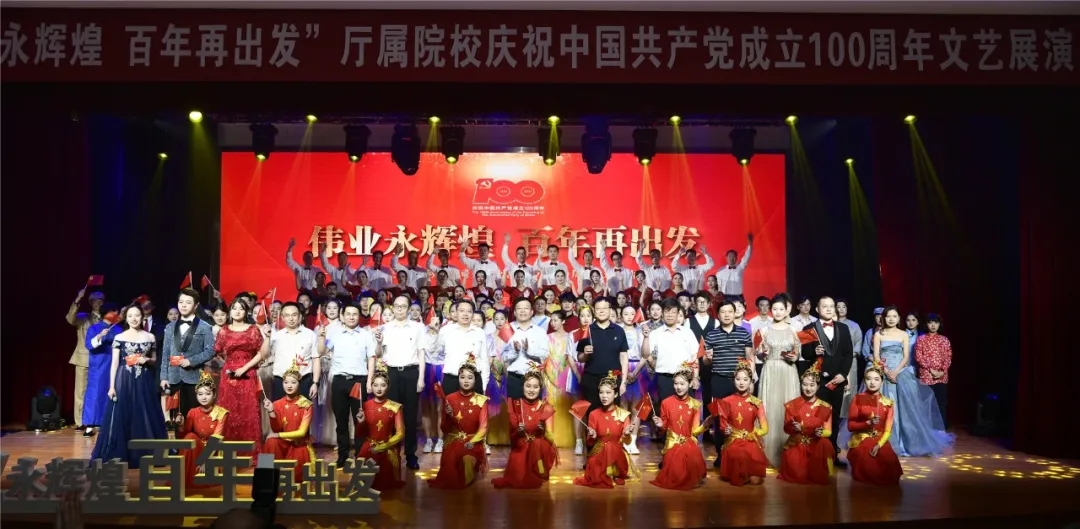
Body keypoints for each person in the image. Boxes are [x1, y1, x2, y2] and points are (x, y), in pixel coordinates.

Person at [92, 304, 168, 467]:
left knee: (145, 412)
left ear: (142, 317)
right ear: (126, 318)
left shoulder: (150, 337)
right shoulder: (119, 337)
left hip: (144, 379)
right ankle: (122, 452)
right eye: (130, 316)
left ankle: (145, 452)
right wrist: (112, 386)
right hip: (124, 378)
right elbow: (114, 364)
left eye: (137, 315)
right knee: (123, 413)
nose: (134, 319)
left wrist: (146, 359)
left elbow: (154, 359)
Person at [871, 305, 952, 457]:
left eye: (894, 316)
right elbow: (876, 356)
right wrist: (886, 372)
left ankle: (907, 442)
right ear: (884, 318)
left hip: (900, 373)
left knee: (907, 409)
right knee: (885, 407)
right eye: (888, 316)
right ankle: (885, 442)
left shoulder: (903, 334)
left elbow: (906, 357)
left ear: (898, 318)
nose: (891, 319)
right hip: (883, 373)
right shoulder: (878, 334)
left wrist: (896, 371)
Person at [318, 303, 378, 467]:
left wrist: (370, 381)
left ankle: (360, 454)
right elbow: (322, 351)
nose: (351, 317)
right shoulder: (335, 334)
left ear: (359, 316)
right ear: (342, 316)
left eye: (355, 314)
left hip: (359, 381)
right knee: (341, 420)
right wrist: (321, 337)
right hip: (339, 380)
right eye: (348, 314)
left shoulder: (365, 335)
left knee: (360, 420)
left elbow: (371, 358)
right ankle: (343, 455)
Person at [799, 296, 854, 466]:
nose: (829, 309)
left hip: (837, 380)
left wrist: (843, 374)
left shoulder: (843, 328)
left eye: (831, 306)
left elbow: (848, 354)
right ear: (817, 309)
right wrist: (813, 351)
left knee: (834, 417)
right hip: (818, 381)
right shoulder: (808, 328)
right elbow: (804, 353)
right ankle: (815, 455)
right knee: (817, 418)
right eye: (825, 306)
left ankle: (832, 455)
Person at [373, 295, 426, 470]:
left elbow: (421, 354)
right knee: (390, 416)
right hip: (392, 374)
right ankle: (391, 453)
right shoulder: (385, 328)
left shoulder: (418, 328)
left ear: (409, 309)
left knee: (410, 418)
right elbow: (379, 354)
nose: (399, 309)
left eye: (403, 306)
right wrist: (379, 342)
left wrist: (421, 378)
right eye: (396, 306)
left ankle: (411, 455)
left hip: (411, 373)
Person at [702, 300, 754, 467]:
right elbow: (706, 361)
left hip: (739, 382)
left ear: (735, 313)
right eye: (723, 312)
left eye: (730, 311)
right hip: (718, 381)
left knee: (740, 418)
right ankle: (721, 454)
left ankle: (739, 453)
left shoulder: (744, 333)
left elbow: (749, 359)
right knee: (720, 419)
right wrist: (707, 358)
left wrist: (750, 381)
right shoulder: (711, 335)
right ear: (718, 315)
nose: (726, 315)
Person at [215, 298, 269, 457]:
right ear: (230, 311)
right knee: (228, 411)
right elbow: (217, 350)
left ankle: (250, 453)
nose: (237, 311)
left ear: (246, 312)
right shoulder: (224, 331)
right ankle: (227, 453)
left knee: (249, 411)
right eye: (234, 308)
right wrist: (229, 365)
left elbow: (261, 353)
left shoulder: (253, 330)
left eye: (241, 308)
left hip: (248, 374)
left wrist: (244, 368)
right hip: (228, 377)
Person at [428, 354, 489, 489]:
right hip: (453, 442)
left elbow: (484, 428)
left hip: (472, 442)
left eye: (470, 377)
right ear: (458, 379)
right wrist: (449, 416)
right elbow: (444, 428)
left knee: (467, 462)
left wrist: (472, 442)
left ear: (475, 380)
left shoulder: (481, 400)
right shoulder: (449, 398)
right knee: (451, 470)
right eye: (462, 377)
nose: (466, 381)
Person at [491, 366, 558, 489]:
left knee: (538, 445)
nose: (531, 390)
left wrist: (542, 430)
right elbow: (512, 433)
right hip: (521, 445)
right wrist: (519, 431)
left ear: (540, 388)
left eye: (535, 387)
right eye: (528, 386)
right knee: (518, 477)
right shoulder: (515, 404)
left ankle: (540, 470)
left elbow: (551, 438)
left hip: (538, 448)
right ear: (522, 387)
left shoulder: (545, 406)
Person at [650, 363, 712, 490]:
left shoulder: (695, 404)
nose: (678, 387)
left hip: (688, 444)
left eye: (682, 384)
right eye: (676, 383)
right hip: (672, 444)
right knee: (676, 475)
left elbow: (695, 432)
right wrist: (661, 425)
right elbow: (663, 430)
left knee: (692, 469)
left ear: (690, 384)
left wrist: (705, 425)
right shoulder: (666, 403)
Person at [756, 294, 801, 468]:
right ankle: (767, 452)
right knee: (770, 407)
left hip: (788, 371)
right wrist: (763, 353)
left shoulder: (793, 330)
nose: (778, 312)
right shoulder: (764, 330)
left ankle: (788, 453)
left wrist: (794, 357)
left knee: (786, 407)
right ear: (770, 310)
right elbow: (759, 353)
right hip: (770, 370)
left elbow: (798, 353)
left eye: (781, 309)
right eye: (774, 309)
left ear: (787, 310)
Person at [574, 370, 636, 488]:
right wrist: (592, 436)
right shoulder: (593, 414)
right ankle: (606, 474)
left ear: (615, 394)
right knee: (597, 476)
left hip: (617, 456)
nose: (604, 396)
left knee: (611, 447)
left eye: (608, 392)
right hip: (599, 454)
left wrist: (627, 434)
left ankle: (613, 473)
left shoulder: (623, 414)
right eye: (601, 392)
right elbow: (590, 443)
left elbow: (627, 442)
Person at [160, 289, 217, 417]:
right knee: (175, 418)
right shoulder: (170, 327)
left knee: (193, 416)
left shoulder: (205, 327)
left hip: (194, 378)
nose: (183, 305)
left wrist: (191, 361)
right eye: (181, 302)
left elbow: (211, 350)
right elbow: (165, 353)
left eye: (188, 302)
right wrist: (164, 377)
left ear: (196, 305)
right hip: (173, 378)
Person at [847, 359, 903, 485]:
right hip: (862, 438)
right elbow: (850, 426)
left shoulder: (888, 403)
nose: (872, 382)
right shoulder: (858, 399)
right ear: (865, 380)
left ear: (882, 382)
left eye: (876, 379)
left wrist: (879, 444)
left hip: (879, 440)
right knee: (869, 469)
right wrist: (867, 423)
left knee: (890, 471)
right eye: (869, 379)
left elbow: (888, 430)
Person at [778, 361, 835, 485]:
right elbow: (786, 429)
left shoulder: (823, 406)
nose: (808, 388)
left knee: (824, 444)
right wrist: (794, 428)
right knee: (798, 474)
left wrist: (820, 433)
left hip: (815, 445)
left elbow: (828, 431)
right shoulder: (793, 405)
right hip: (797, 444)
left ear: (818, 386)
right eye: (805, 384)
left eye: (812, 385)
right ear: (800, 385)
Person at [716, 358, 768, 486]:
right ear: (734, 380)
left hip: (750, 441)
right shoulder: (725, 401)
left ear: (750, 381)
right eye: (738, 379)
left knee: (755, 481)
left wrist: (752, 434)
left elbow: (765, 428)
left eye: (745, 379)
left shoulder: (757, 403)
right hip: (733, 441)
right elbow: (722, 426)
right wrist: (726, 430)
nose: (741, 382)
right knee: (737, 461)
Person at [576, 297, 629, 421]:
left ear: (610, 310)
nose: (601, 311)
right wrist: (585, 353)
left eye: (605, 308)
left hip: (613, 378)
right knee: (592, 415)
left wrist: (623, 382)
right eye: (598, 308)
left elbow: (624, 358)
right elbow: (580, 358)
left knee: (613, 415)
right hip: (591, 379)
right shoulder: (586, 330)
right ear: (594, 311)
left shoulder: (619, 330)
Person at [262, 359, 315, 485]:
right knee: (270, 442)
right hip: (283, 443)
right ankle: (264, 476)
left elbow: (301, 433)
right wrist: (271, 411)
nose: (289, 386)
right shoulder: (277, 404)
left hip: (298, 445)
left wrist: (278, 435)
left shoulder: (306, 405)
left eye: (293, 382)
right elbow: (276, 429)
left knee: (293, 478)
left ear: (299, 384)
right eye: (286, 382)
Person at [355, 362, 406, 491]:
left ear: (388, 387)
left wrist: (383, 447)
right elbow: (360, 434)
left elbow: (400, 433)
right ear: (371, 386)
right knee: (362, 483)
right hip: (369, 447)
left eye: (383, 385)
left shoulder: (395, 407)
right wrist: (361, 422)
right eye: (375, 385)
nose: (379, 388)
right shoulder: (365, 405)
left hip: (387, 447)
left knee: (385, 485)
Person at [177, 371, 228, 489]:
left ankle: (187, 478)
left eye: (207, 393)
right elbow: (184, 437)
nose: (204, 397)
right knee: (190, 437)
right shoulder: (192, 412)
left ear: (214, 395)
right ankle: (182, 477)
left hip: (212, 450)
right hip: (195, 449)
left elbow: (216, 438)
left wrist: (205, 459)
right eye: (200, 394)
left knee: (191, 438)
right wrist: (181, 425)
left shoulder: (221, 413)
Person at [68, 288, 104, 430]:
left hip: (100, 360)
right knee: (81, 391)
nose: (97, 303)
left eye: (100, 301)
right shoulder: (83, 317)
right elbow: (70, 318)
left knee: (98, 390)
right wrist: (78, 299)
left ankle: (96, 420)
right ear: (90, 302)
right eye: (95, 301)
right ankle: (80, 421)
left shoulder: (105, 319)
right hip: (83, 359)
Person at [82, 306, 120, 437]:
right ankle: (90, 425)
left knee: (112, 391)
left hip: (114, 363)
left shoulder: (118, 329)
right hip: (98, 365)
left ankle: (109, 423)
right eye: (114, 312)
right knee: (95, 394)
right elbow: (89, 345)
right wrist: (100, 336)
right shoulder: (94, 328)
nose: (116, 314)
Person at [914, 313, 951, 428]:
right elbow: (918, 357)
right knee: (927, 403)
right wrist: (931, 370)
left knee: (941, 403)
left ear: (939, 324)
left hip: (941, 377)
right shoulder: (921, 339)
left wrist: (942, 371)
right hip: (926, 376)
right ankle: (927, 429)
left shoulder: (944, 340)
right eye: (930, 323)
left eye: (936, 322)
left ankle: (941, 428)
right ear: (926, 324)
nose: (933, 325)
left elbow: (948, 356)